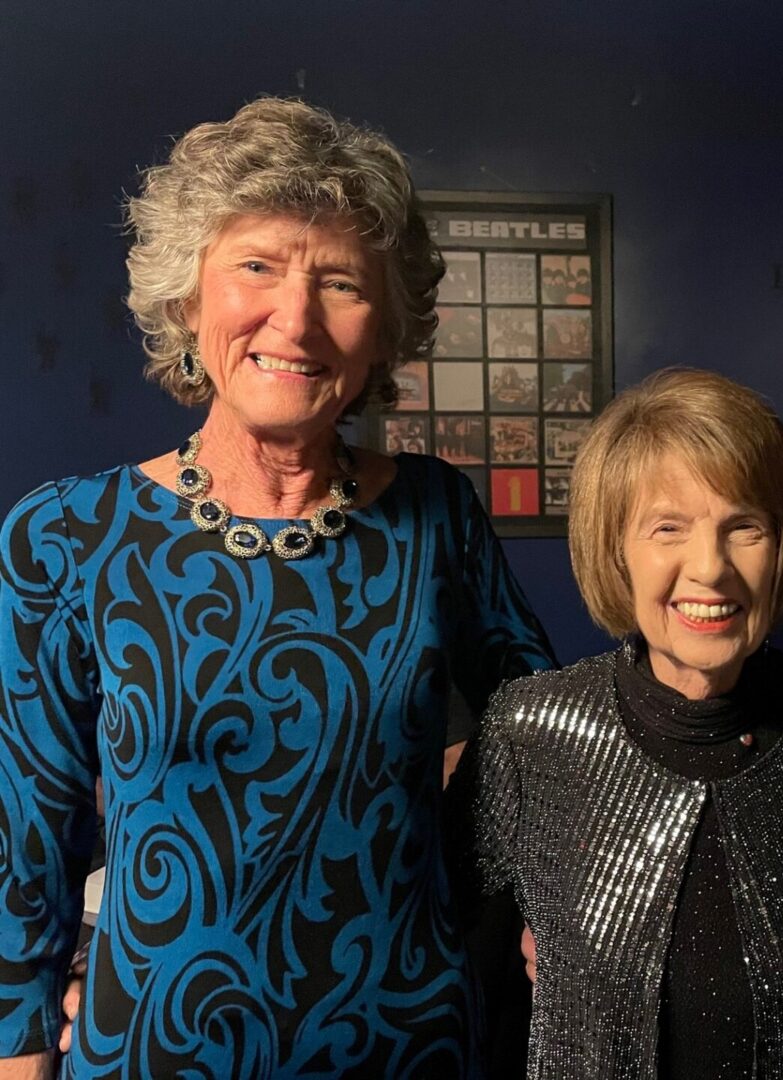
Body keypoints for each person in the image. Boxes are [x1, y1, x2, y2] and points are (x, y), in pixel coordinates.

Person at [0, 97, 552, 1078]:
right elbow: (24, 850)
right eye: (256, 265)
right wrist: (20, 1053)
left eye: (338, 280)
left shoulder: (438, 516)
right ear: (187, 298)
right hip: (152, 1057)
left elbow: (552, 738)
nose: (292, 320)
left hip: (409, 1051)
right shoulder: (65, 537)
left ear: (386, 328)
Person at [446, 368, 783, 1079]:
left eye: (744, 526)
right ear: (616, 550)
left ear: (781, 544)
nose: (710, 567)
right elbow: (454, 970)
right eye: (668, 528)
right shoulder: (529, 734)